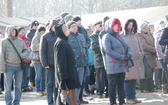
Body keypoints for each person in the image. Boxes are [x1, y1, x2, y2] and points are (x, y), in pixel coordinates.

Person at [102, 19, 132, 105]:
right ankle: (112, 102)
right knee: (112, 84)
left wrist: (129, 54)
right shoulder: (106, 36)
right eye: (114, 25)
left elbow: (127, 46)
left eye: (117, 25)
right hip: (113, 64)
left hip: (122, 64)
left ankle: (121, 101)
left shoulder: (120, 35)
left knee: (121, 84)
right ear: (110, 26)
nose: (116, 27)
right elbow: (108, 51)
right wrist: (122, 57)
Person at [0, 25, 28, 105]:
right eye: (12, 31)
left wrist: (22, 55)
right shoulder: (4, 41)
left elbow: (26, 50)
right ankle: (8, 103)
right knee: (8, 87)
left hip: (19, 67)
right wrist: (1, 68)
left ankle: (17, 102)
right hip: (8, 66)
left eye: (15, 31)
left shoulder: (20, 41)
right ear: (8, 31)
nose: (14, 32)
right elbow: (1, 55)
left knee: (18, 87)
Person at [54, 23, 80, 105]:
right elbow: (61, 63)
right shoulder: (60, 43)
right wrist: (63, 79)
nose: (67, 31)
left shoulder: (64, 41)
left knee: (71, 98)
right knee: (65, 100)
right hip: (66, 77)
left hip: (69, 75)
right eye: (66, 29)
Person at [123, 19, 144, 104]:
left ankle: (133, 96)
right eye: (129, 25)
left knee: (134, 79)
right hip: (128, 61)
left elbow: (140, 46)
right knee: (128, 79)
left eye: (132, 25)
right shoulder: (123, 36)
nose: (131, 27)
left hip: (137, 60)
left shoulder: (135, 36)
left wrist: (141, 54)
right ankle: (128, 97)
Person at [66, 21, 87, 105]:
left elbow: (84, 49)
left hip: (82, 64)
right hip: (73, 65)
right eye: (73, 26)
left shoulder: (81, 36)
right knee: (72, 86)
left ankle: (76, 102)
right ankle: (70, 102)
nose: (75, 27)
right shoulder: (67, 37)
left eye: (76, 26)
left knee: (79, 84)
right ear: (69, 28)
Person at [40, 19, 59, 105]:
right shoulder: (45, 36)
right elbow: (42, 51)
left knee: (57, 84)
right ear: (51, 27)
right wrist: (45, 63)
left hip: (58, 64)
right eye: (54, 26)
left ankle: (56, 101)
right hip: (49, 64)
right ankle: (50, 102)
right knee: (49, 84)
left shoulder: (59, 35)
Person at [73, 16, 90, 103]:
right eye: (77, 21)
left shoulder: (83, 30)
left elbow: (88, 40)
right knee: (77, 82)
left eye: (80, 20)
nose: (79, 22)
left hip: (83, 58)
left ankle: (80, 98)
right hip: (75, 62)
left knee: (82, 81)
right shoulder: (70, 34)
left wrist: (86, 47)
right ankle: (76, 100)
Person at [138, 21, 156, 92]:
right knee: (146, 72)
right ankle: (144, 88)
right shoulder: (139, 35)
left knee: (151, 71)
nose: (147, 28)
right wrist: (154, 49)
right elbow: (144, 46)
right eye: (146, 27)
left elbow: (154, 41)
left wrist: (155, 49)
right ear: (142, 28)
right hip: (145, 56)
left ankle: (150, 87)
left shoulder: (149, 33)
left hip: (151, 55)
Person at [90, 20, 106, 98]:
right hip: (99, 58)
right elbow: (94, 47)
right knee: (100, 77)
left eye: (103, 25)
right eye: (100, 25)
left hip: (106, 58)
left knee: (107, 77)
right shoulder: (93, 36)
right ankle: (99, 92)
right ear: (95, 26)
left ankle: (108, 92)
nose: (102, 27)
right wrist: (105, 49)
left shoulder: (105, 34)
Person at [31, 26, 46, 96]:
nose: (43, 33)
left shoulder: (45, 37)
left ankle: (43, 89)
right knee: (38, 75)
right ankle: (38, 90)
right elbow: (33, 47)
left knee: (44, 76)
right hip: (37, 60)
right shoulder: (35, 37)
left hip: (43, 59)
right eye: (42, 31)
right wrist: (42, 45)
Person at [18, 27, 32, 92]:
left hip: (28, 59)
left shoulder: (28, 39)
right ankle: (20, 87)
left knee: (27, 74)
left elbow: (30, 48)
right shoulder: (16, 39)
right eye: (21, 31)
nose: (23, 31)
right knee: (19, 74)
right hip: (19, 60)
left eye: (24, 30)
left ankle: (25, 86)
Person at [153, 19, 167, 89]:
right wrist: (163, 55)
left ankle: (164, 87)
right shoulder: (158, 34)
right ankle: (164, 87)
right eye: (161, 23)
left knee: (164, 72)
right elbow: (157, 46)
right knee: (164, 71)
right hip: (162, 56)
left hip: (164, 55)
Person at [99, 16, 110, 98]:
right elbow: (103, 48)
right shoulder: (102, 34)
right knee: (105, 77)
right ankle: (106, 92)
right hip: (106, 57)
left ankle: (109, 92)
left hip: (113, 58)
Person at [26, 20, 39, 89]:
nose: (36, 26)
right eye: (35, 25)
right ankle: (31, 82)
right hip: (31, 51)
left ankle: (34, 82)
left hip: (37, 52)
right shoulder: (29, 33)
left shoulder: (38, 32)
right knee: (32, 68)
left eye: (37, 25)